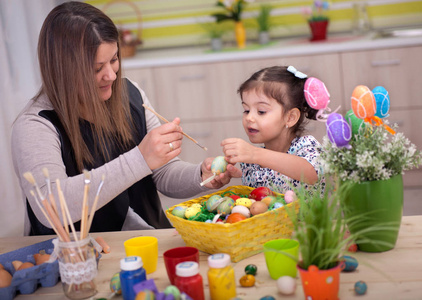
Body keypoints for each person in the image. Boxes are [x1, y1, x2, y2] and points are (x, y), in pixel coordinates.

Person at [11, 1, 235, 236]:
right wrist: (140, 159)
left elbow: (162, 173)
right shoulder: (35, 125)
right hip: (77, 256)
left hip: (145, 239)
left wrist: (199, 175)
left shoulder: (131, 94)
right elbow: (52, 208)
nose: (111, 74)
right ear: (62, 71)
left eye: (114, 59)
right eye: (97, 68)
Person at [221, 66, 324, 192]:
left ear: (290, 117)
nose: (249, 118)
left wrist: (253, 154)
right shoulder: (252, 162)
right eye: (246, 110)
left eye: (261, 111)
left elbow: (312, 173)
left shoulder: (306, 147)